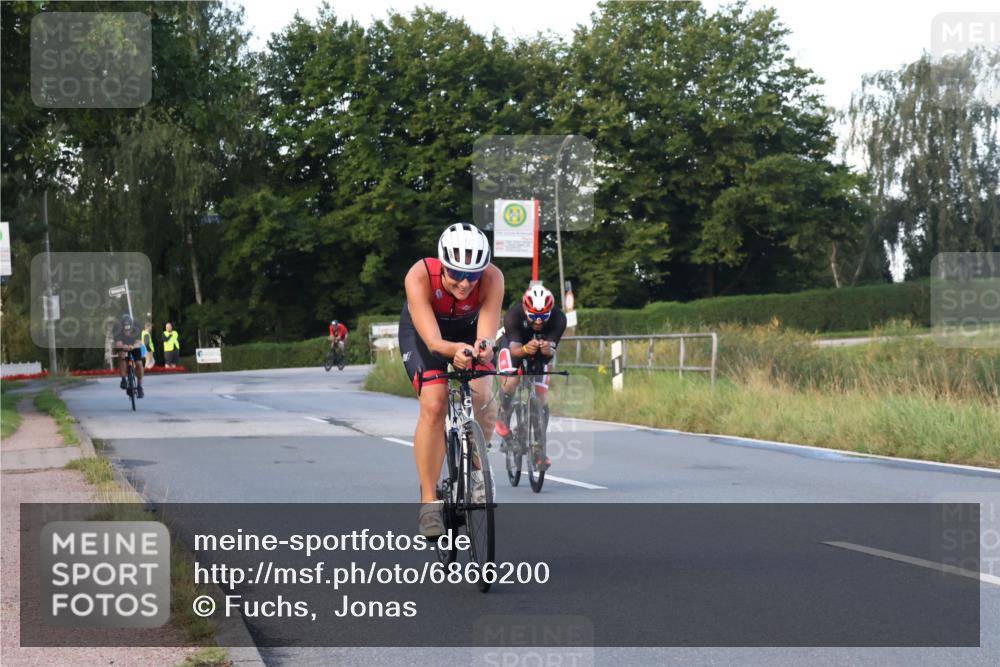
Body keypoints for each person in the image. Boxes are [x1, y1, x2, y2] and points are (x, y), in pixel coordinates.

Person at [399, 223, 504, 537]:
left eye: (473, 275)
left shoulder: (492, 278)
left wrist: (483, 350)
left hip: (467, 333)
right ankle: (429, 502)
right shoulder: (419, 276)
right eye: (456, 274)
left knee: (484, 392)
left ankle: (477, 471)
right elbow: (433, 343)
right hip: (425, 334)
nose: (464, 283)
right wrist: (452, 350)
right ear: (442, 266)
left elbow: (485, 336)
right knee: (435, 403)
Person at [494, 284, 567, 470]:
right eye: (533, 317)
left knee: (541, 397)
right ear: (526, 310)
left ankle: (538, 448)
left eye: (543, 317)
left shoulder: (559, 318)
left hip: (539, 352)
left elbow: (551, 350)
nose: (538, 322)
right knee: (513, 380)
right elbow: (515, 351)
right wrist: (527, 349)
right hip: (513, 346)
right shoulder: (513, 315)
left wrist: (547, 348)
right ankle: (503, 414)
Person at [114, 314, 145, 398]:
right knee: (122, 356)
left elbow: (139, 343)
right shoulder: (117, 329)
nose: (127, 332)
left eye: (129, 330)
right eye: (125, 330)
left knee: (139, 364)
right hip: (123, 344)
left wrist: (133, 346)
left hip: (134, 345)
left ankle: (139, 386)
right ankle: (123, 378)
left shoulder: (137, 327)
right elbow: (118, 343)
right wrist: (123, 346)